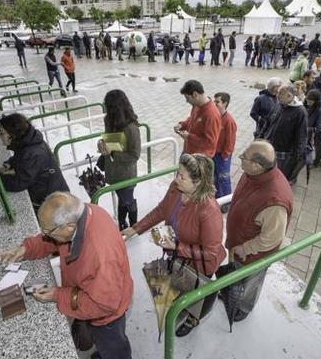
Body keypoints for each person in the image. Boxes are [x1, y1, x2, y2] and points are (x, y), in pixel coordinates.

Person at [0, 192, 133, 359]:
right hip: (94, 289)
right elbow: (51, 240)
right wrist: (27, 249)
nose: (45, 235)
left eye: (48, 232)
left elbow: (103, 305)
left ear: (69, 227)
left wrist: (58, 295)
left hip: (108, 314)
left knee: (113, 345)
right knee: (103, 342)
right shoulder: (81, 214)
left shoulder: (101, 254)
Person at [121, 154, 226, 337]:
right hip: (177, 254)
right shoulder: (176, 188)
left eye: (181, 176)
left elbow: (211, 252)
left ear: (198, 182)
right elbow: (162, 210)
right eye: (177, 172)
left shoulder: (210, 210)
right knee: (178, 285)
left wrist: (177, 246)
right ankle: (180, 305)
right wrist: (135, 229)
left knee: (195, 295)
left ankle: (193, 319)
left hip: (199, 265)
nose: (175, 179)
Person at [224, 140, 292, 321]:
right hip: (237, 243)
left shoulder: (275, 200)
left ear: (256, 165)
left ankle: (243, 309)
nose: (240, 158)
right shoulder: (251, 174)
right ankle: (229, 292)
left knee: (250, 284)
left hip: (252, 255)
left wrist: (245, 248)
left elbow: (272, 238)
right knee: (235, 274)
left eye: (243, 157)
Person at [0, 113, 69, 209]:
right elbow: (19, 158)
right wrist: (8, 164)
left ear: (12, 135)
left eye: (2, 133)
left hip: (52, 203)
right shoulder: (28, 142)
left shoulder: (33, 152)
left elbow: (19, 183)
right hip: (52, 193)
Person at [97, 90, 141, 230]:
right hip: (113, 171)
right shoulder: (109, 120)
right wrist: (101, 143)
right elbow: (107, 138)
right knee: (122, 199)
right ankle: (122, 224)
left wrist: (113, 153)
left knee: (127, 200)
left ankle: (134, 226)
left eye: (108, 107)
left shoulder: (131, 128)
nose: (106, 110)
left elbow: (134, 155)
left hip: (126, 174)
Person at [264, 84, 307, 182]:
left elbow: (301, 136)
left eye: (281, 93)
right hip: (270, 145)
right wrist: (262, 135)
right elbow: (269, 121)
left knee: (279, 173)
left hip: (283, 151)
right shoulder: (279, 104)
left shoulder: (300, 112)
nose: (277, 95)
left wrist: (296, 156)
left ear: (289, 96)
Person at [175, 80, 221, 157]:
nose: (186, 101)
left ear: (195, 94)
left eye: (187, 98)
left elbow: (210, 143)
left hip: (200, 158)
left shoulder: (211, 114)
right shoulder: (196, 105)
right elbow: (192, 119)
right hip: (188, 151)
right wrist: (182, 125)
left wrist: (189, 137)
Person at [213, 92, 237, 202]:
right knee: (216, 177)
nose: (214, 103)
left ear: (224, 103)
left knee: (224, 178)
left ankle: (227, 200)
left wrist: (225, 155)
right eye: (214, 101)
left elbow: (230, 141)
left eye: (217, 101)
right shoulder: (216, 116)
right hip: (214, 153)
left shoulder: (229, 121)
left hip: (222, 155)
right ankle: (218, 198)